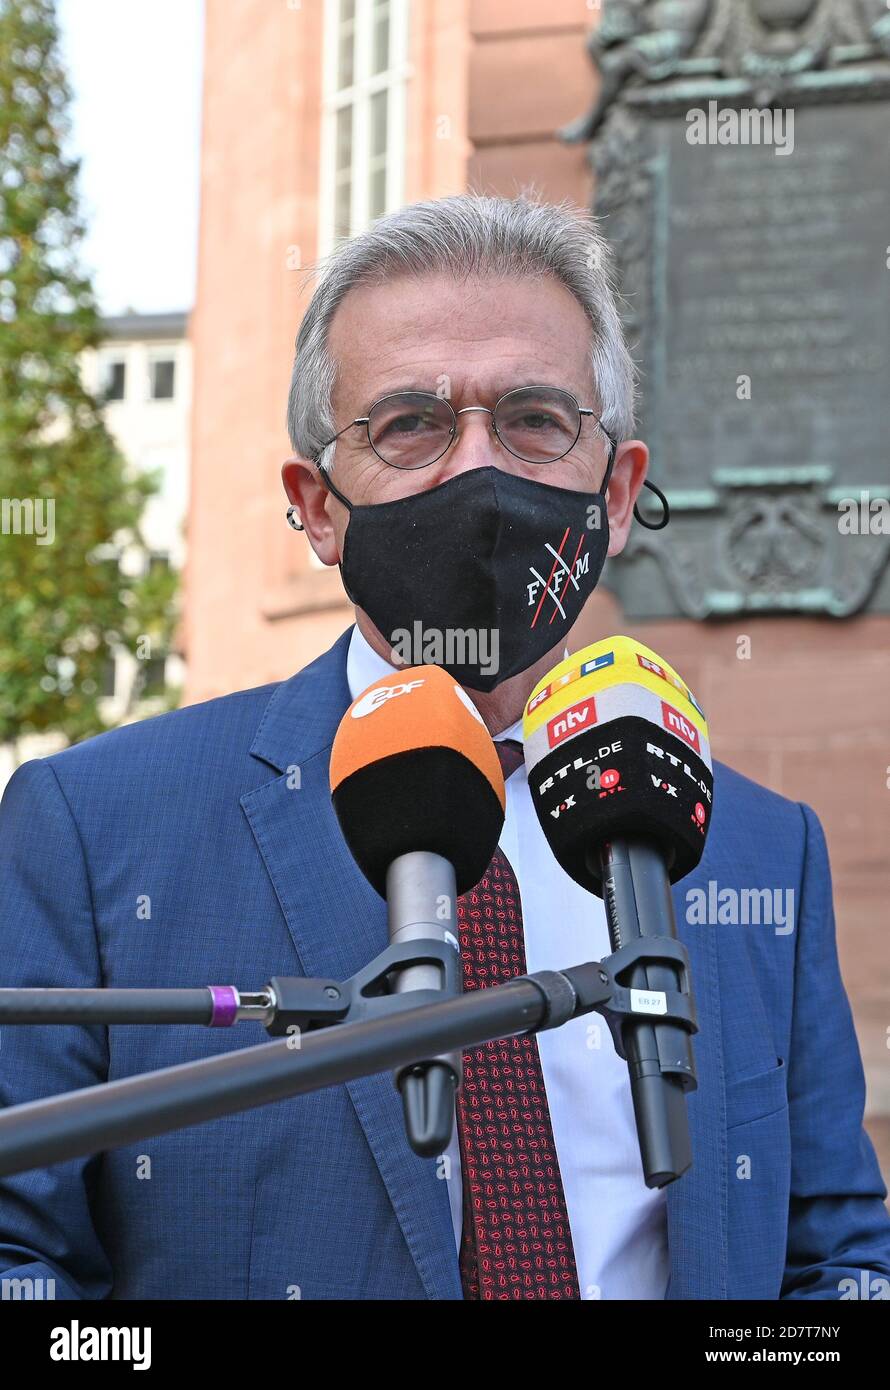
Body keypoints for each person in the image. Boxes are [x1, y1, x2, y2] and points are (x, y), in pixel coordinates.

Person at [1, 194, 888, 1300]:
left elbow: (835, 1259)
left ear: (614, 494)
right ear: (315, 507)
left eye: (531, 419)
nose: (476, 476)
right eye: (409, 424)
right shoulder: (97, 830)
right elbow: (21, 1261)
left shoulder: (755, 846)